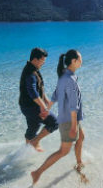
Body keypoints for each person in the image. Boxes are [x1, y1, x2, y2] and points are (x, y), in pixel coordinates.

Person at [31, 49, 85, 185]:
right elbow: (73, 106)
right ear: (74, 61)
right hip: (69, 120)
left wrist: (47, 108)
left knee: (81, 137)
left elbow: (55, 94)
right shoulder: (70, 79)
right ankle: (37, 172)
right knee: (63, 151)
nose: (81, 60)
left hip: (72, 118)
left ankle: (79, 163)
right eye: (80, 58)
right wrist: (73, 126)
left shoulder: (65, 75)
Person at [19, 48, 58, 152]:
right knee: (54, 122)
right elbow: (32, 92)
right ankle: (35, 142)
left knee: (33, 127)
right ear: (35, 59)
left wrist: (45, 99)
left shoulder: (33, 69)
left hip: (26, 106)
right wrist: (43, 106)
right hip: (31, 107)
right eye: (42, 60)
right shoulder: (30, 73)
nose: (44, 63)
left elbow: (38, 87)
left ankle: (26, 151)